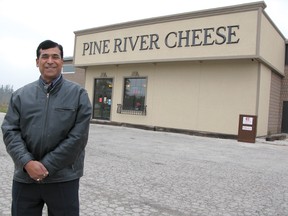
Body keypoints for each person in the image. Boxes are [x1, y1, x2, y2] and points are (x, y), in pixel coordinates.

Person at [1, 40, 92, 216]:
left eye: (55, 56)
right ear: (37, 61)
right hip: (25, 177)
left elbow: (78, 137)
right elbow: (10, 131)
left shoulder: (78, 95)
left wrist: (46, 166)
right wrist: (27, 163)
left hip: (63, 178)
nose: (50, 60)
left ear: (62, 62)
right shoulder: (20, 95)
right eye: (45, 56)